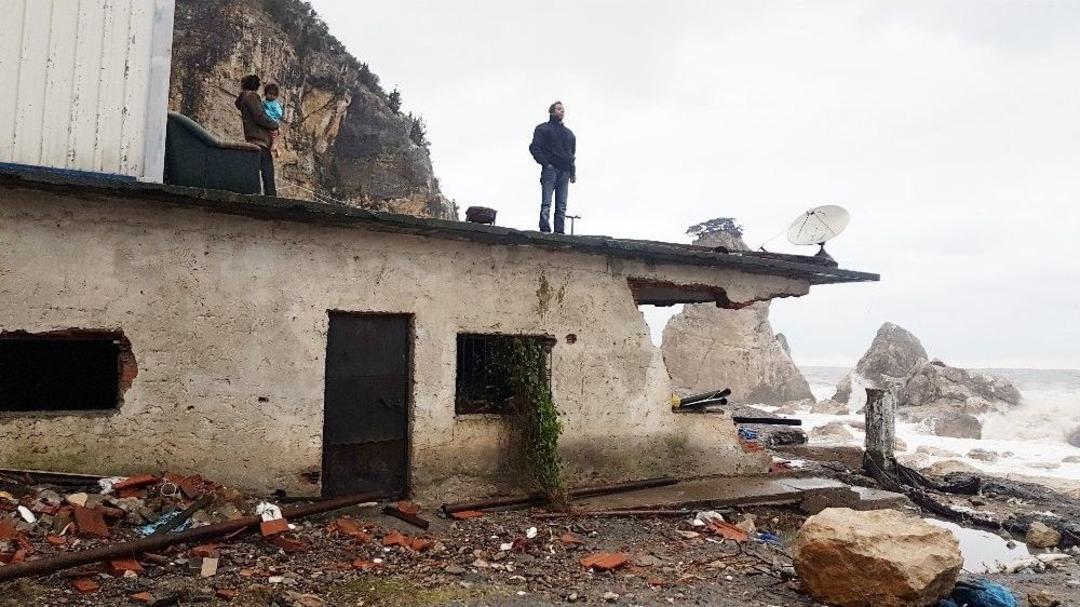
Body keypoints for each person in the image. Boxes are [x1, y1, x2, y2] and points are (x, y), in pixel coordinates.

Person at [529, 101, 576, 234]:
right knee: (547, 202)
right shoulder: (543, 129)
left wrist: (572, 172)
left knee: (561, 205)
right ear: (552, 111)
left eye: (563, 109)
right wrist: (546, 164)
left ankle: (559, 231)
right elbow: (534, 147)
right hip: (550, 170)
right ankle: (544, 228)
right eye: (559, 109)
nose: (562, 111)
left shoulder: (569, 134)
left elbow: (571, 154)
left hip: (564, 172)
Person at [234, 74, 279, 196]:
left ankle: (256, 194)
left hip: (254, 140)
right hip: (259, 141)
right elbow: (259, 116)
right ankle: (270, 199)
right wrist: (275, 125)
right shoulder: (252, 96)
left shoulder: (245, 98)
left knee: (254, 171)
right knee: (267, 172)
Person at [262, 83, 284, 150]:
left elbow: (279, 114)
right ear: (266, 93)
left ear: (276, 96)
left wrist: (270, 114)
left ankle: (275, 144)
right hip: (265, 120)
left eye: (274, 95)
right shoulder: (263, 102)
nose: (271, 96)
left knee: (273, 133)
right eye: (270, 93)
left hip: (273, 120)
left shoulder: (275, 104)